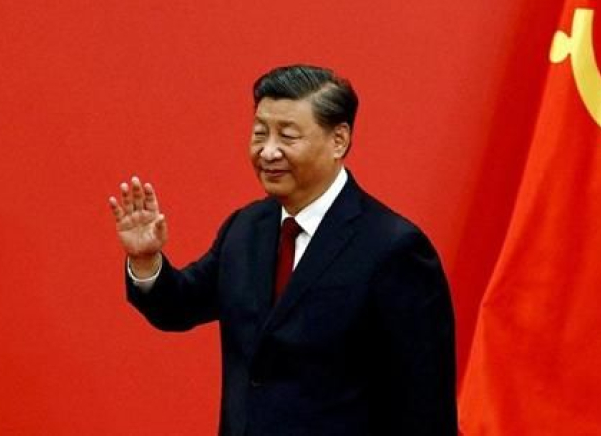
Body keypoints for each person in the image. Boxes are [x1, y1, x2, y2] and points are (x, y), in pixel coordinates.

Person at [108, 65, 457, 436]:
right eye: (260, 133)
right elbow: (179, 307)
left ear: (339, 140)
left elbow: (425, 405)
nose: (268, 151)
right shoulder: (246, 228)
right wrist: (146, 260)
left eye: (287, 136)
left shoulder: (393, 248)